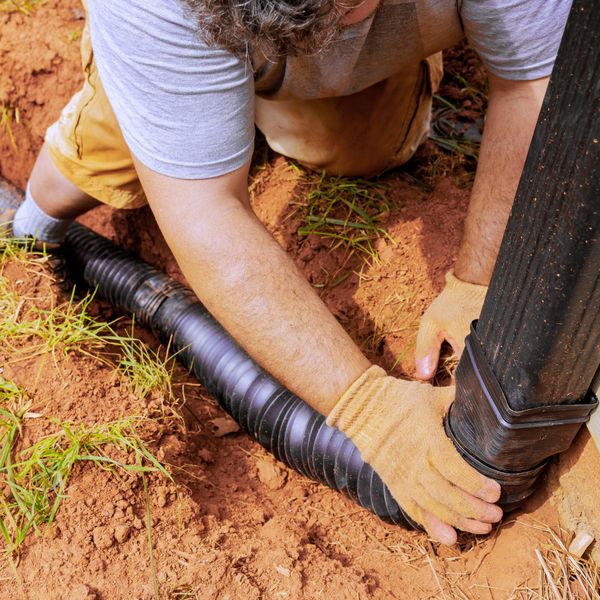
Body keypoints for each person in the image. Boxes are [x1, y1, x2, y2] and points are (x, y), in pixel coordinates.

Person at [2, 0, 571, 545]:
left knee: (364, 147)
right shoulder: (156, 7)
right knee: (108, 151)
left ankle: (242, 117)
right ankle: (24, 227)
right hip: (183, 38)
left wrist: (478, 277)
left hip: (346, 51)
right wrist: (369, 411)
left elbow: (535, 84)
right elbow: (205, 212)